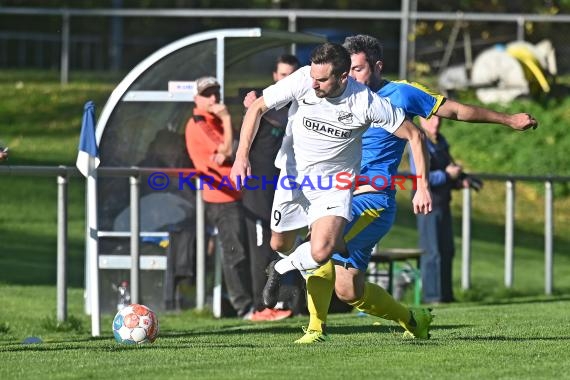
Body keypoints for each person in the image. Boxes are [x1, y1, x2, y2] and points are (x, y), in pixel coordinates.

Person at [261, 34, 538, 343]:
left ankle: (314, 329)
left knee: (321, 247)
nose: (351, 77)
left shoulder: (401, 95)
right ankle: (413, 319)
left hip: (371, 198)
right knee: (348, 289)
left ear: (377, 67)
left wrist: (508, 119)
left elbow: (457, 112)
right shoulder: (332, 93)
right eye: (348, 70)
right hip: (333, 193)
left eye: (358, 69)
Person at [231, 42, 433, 339]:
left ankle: (295, 288)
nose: (314, 84)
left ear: (342, 77)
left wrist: (422, 187)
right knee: (281, 242)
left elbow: (415, 135)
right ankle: (295, 261)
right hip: (293, 178)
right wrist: (241, 157)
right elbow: (258, 107)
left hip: (334, 186)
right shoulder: (303, 79)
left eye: (322, 79)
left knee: (321, 250)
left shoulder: (365, 101)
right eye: (312, 76)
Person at [185, 76, 254, 319]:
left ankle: (243, 302)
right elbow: (226, 150)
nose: (214, 98)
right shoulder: (199, 121)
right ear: (197, 99)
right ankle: (243, 306)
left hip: (233, 193)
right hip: (219, 196)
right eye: (207, 94)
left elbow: (231, 150)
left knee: (239, 249)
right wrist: (226, 117)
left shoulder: (212, 120)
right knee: (234, 251)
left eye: (216, 92)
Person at [241, 54, 301, 321]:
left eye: (292, 74)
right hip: (258, 188)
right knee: (260, 245)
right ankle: (259, 306)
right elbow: (254, 106)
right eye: (282, 75)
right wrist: (253, 106)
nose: (286, 79)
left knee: (285, 243)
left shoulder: (299, 105)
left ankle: (286, 303)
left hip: (287, 186)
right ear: (275, 77)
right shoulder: (262, 103)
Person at [410, 115, 468, 304]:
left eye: (439, 120)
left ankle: (446, 296)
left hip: (443, 202)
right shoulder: (419, 141)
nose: (436, 124)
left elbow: (446, 170)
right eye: (432, 120)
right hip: (427, 205)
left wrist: (457, 181)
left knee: (446, 250)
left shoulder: (440, 141)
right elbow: (419, 176)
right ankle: (433, 297)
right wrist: (447, 175)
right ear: (421, 120)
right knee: (432, 252)